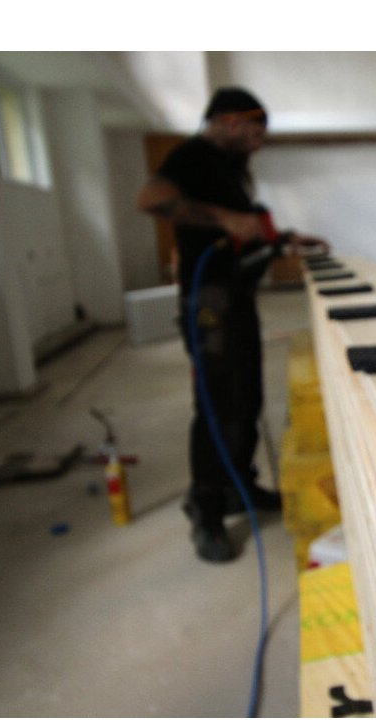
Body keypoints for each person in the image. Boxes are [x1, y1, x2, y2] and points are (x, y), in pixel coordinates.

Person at [137, 86, 328, 563]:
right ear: (228, 121)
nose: (259, 142)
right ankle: (204, 510)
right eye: (255, 131)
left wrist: (286, 239)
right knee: (218, 405)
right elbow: (150, 197)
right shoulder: (193, 154)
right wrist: (224, 217)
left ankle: (239, 487)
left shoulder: (226, 168)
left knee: (246, 398)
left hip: (234, 297)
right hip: (210, 302)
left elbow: (246, 233)